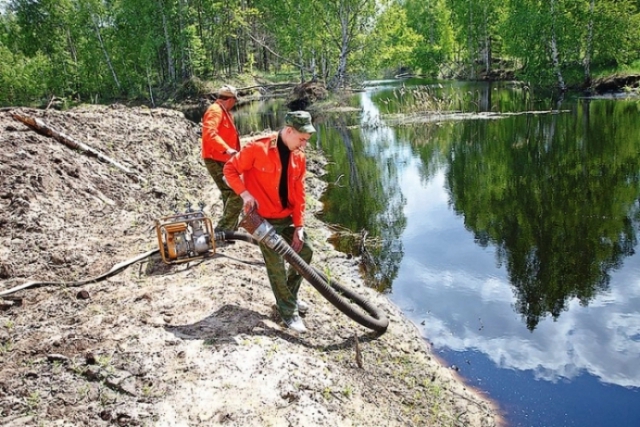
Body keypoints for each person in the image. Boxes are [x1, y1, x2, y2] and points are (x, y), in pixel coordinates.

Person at [223, 111, 316, 333]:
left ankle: (289, 297)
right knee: (276, 266)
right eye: (302, 138)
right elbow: (230, 169)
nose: (304, 144)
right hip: (263, 221)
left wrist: (299, 226)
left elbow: (300, 192)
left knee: (305, 252)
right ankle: (287, 313)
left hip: (287, 217)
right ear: (289, 131)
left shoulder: (299, 155)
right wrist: (245, 194)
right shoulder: (258, 148)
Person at [201, 84, 243, 232]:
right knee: (237, 194)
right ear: (229, 99)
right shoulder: (215, 111)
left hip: (223, 159)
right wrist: (226, 149)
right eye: (234, 101)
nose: (234, 104)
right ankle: (223, 230)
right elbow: (209, 134)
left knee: (228, 193)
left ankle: (230, 229)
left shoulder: (223, 111)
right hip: (215, 158)